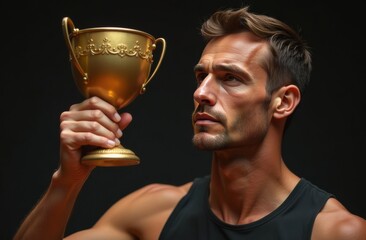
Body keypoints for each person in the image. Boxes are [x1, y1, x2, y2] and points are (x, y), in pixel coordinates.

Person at [14, 6, 366, 240]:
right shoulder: (155, 212)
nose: (202, 92)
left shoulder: (335, 231)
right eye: (201, 76)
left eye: (230, 78)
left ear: (283, 102)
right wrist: (67, 181)